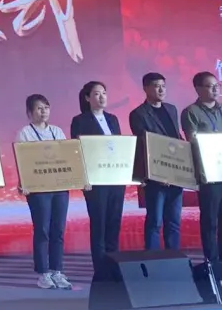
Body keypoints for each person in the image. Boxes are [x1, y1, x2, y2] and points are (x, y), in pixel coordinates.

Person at [69, 81, 125, 281]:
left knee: (114, 224)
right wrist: (84, 178)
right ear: (87, 98)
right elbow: (78, 150)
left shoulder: (112, 119)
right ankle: (101, 272)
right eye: (96, 94)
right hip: (95, 181)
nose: (102, 97)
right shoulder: (80, 120)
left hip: (115, 179)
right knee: (99, 225)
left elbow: (119, 146)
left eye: (104, 93)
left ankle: (114, 268)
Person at [15, 94, 71, 290]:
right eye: (39, 108)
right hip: (39, 190)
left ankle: (57, 270)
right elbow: (23, 161)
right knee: (43, 230)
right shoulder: (25, 133)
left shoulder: (57, 131)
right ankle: (43, 273)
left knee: (58, 230)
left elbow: (66, 157)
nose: (43, 111)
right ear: (30, 112)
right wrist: (24, 183)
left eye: (46, 107)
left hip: (59, 187)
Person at [129, 72, 183, 251]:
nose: (161, 90)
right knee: (155, 221)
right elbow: (145, 144)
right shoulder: (138, 114)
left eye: (163, 86)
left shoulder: (172, 109)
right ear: (146, 88)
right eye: (156, 86)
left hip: (175, 173)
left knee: (174, 221)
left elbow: (177, 138)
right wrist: (159, 172)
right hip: (155, 175)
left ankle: (174, 259)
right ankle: (153, 259)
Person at [181, 72, 222, 271]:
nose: (215, 89)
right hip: (208, 175)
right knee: (210, 221)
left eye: (217, 85)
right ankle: (212, 263)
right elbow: (193, 140)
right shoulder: (191, 112)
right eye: (210, 86)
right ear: (198, 89)